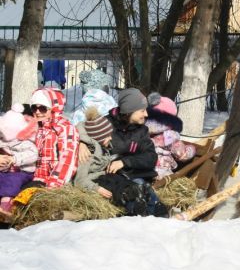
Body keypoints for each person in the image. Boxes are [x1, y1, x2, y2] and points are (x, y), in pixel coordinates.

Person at [84, 88, 167, 216]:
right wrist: (81, 143)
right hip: (107, 177)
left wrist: (125, 162)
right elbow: (82, 127)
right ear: (129, 111)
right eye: (142, 110)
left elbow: (151, 157)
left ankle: (158, 214)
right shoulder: (105, 124)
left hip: (133, 175)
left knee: (142, 190)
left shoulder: (141, 131)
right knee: (134, 193)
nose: (146, 114)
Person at [26, 88, 79, 188]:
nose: (37, 112)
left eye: (43, 108)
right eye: (34, 108)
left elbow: (68, 159)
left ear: (53, 108)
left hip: (51, 182)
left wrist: (54, 185)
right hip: (33, 178)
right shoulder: (37, 126)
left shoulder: (65, 128)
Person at [146, 92, 196, 180]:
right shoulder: (169, 136)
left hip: (142, 168)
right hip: (162, 171)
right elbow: (180, 153)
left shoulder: (140, 129)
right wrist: (190, 150)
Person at [0, 104, 38, 213]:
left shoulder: (25, 143)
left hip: (21, 172)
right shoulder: (3, 141)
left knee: (11, 182)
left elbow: (33, 154)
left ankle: (5, 207)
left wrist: (14, 159)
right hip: (5, 171)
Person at [73, 107, 116, 199]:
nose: (111, 138)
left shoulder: (103, 148)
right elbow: (79, 181)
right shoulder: (86, 156)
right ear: (99, 138)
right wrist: (96, 188)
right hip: (92, 188)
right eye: (107, 136)